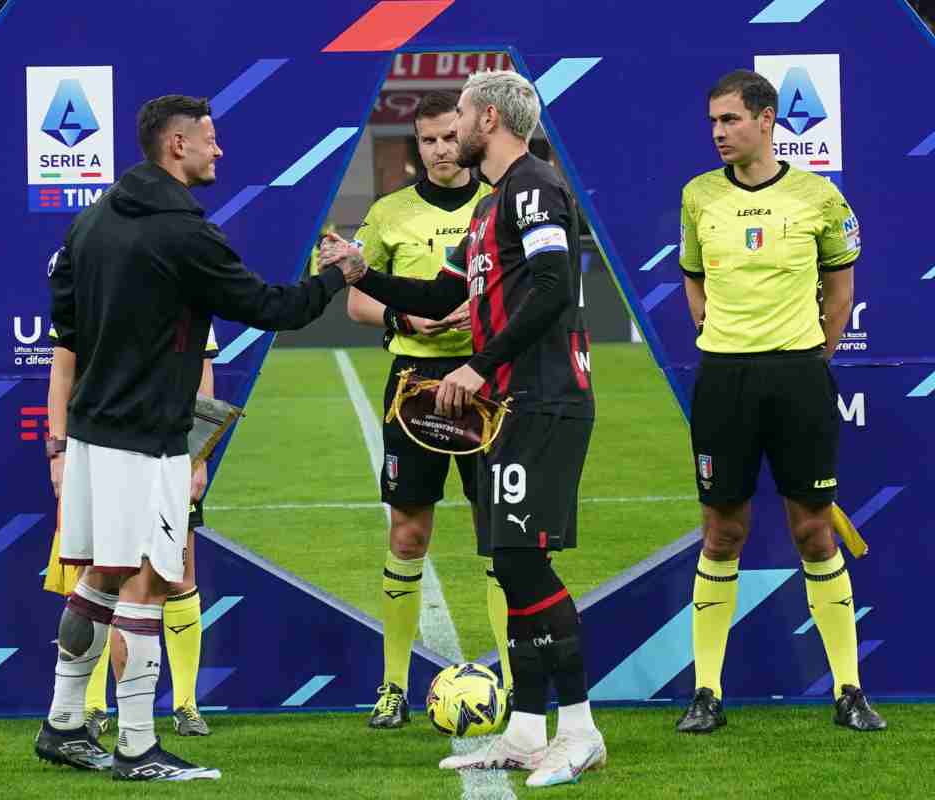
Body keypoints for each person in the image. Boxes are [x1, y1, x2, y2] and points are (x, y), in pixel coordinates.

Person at [34, 93, 365, 782]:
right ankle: (135, 747)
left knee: (98, 578)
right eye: (211, 140)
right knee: (152, 581)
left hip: (94, 431)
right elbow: (271, 308)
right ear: (176, 145)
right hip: (147, 436)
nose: (220, 151)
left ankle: (64, 725)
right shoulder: (184, 232)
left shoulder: (89, 222)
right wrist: (340, 274)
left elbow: (65, 322)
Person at [324, 69, 605, 788]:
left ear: (489, 119)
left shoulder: (536, 186)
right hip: (508, 406)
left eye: (466, 118)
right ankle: (522, 732)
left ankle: (578, 730)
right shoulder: (491, 210)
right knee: (511, 562)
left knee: (527, 563)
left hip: (543, 398)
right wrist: (362, 273)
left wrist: (479, 366)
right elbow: (440, 293)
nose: (455, 134)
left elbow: (549, 287)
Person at [675, 69, 884, 734]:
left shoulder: (819, 197)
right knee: (723, 531)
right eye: (712, 122)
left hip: (798, 379)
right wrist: (723, 341)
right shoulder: (697, 196)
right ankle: (706, 693)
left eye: (730, 120)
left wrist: (807, 359)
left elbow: (841, 291)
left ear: (767, 120)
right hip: (723, 380)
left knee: (813, 530)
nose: (718, 133)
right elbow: (694, 284)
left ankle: (848, 691)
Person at [343, 90, 505, 730]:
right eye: (428, 140)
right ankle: (391, 688)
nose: (440, 149)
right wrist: (400, 317)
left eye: (448, 136)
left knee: (501, 540)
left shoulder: (499, 206)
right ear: (416, 144)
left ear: (466, 137)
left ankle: (515, 683)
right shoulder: (386, 213)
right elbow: (355, 299)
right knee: (408, 533)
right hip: (414, 382)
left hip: (488, 383)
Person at [44, 328, 221, 739]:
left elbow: (202, 373)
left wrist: (199, 456)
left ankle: (185, 703)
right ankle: (90, 708)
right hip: (105, 452)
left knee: (177, 576)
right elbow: (63, 372)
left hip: (169, 451)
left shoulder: (186, 273)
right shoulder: (86, 277)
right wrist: (58, 451)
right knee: (100, 575)